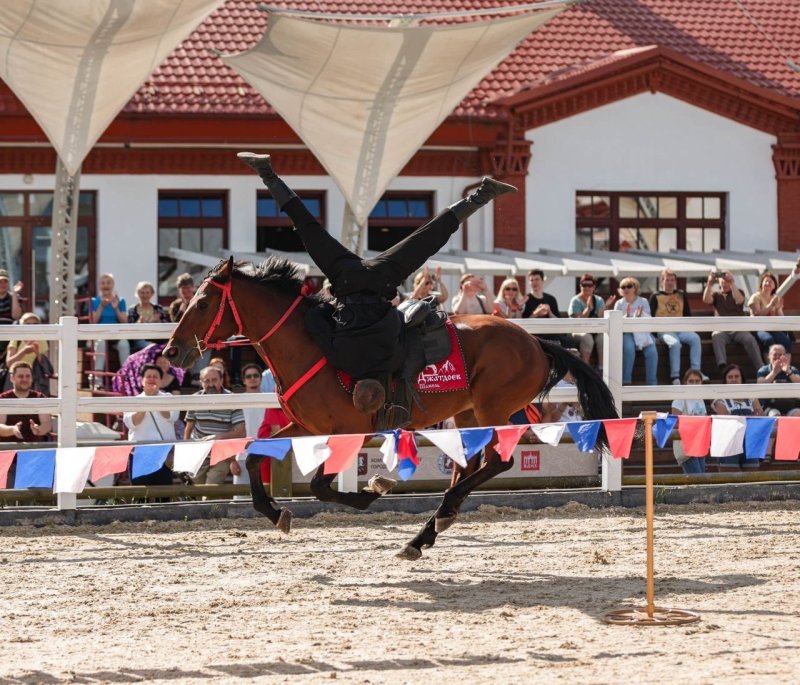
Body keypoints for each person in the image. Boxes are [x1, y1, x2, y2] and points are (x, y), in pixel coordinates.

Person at [238, 151, 516, 414]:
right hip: (345, 279)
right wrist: (329, 299)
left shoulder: (391, 361)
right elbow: (316, 323)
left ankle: (483, 194)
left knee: (427, 238)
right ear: (356, 387)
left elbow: (404, 335)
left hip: (381, 280)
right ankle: (268, 174)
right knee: (307, 228)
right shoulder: (341, 359)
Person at [183, 365, 246, 484]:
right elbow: (188, 429)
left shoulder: (232, 399)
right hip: (198, 456)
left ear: (221, 380)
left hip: (222, 455)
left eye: (214, 380)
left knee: (209, 494)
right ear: (201, 382)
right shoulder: (194, 399)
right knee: (197, 494)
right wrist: (186, 455)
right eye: (207, 381)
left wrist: (219, 438)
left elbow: (241, 431)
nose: (211, 384)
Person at [122, 364, 179, 486]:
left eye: (155, 377)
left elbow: (171, 416)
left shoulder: (169, 398)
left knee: (163, 496)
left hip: (163, 454)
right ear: (141, 380)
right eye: (148, 376)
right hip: (140, 454)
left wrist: (155, 400)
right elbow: (132, 423)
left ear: (161, 381)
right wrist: (146, 402)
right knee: (140, 496)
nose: (152, 379)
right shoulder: (133, 400)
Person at [649, 269, 706, 384]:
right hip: (664, 330)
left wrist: (689, 328)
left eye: (672, 280)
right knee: (675, 344)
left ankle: (697, 371)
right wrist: (653, 335)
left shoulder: (681, 294)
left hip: (681, 329)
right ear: (662, 281)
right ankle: (675, 377)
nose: (670, 282)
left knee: (695, 338)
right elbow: (650, 316)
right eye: (667, 280)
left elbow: (687, 314)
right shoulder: (655, 296)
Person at [702, 269, 762, 377]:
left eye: (726, 281)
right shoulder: (716, 295)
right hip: (722, 331)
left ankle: (761, 368)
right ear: (719, 283)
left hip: (738, 330)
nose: (724, 284)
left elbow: (739, 300)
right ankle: (723, 367)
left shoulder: (739, 291)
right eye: (722, 281)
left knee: (749, 339)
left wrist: (732, 282)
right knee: (716, 336)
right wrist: (709, 283)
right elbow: (706, 300)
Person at [712, 363, 763, 471]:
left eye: (736, 376)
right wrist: (749, 416)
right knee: (730, 481)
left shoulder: (751, 397)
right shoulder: (720, 399)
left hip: (749, 443)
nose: (733, 379)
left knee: (751, 481)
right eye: (730, 377)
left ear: (742, 378)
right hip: (728, 444)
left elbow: (760, 416)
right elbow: (726, 420)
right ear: (725, 380)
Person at [614, 277, 658, 385]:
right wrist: (627, 316)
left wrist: (639, 316)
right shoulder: (619, 304)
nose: (626, 289)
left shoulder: (643, 301)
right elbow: (616, 322)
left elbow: (648, 318)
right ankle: (626, 382)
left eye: (629, 286)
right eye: (623, 287)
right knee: (629, 350)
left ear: (635, 288)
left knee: (652, 352)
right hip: (627, 333)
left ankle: (652, 384)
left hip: (642, 332)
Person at [233, 363, 268, 493]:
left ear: (260, 378)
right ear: (243, 380)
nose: (252, 378)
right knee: (241, 498)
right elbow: (232, 431)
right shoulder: (237, 401)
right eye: (248, 376)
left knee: (267, 495)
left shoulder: (270, 399)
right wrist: (232, 460)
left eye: (255, 375)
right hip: (242, 455)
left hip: (266, 455)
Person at [522, 269, 578, 349]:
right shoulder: (525, 299)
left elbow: (558, 321)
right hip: (534, 334)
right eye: (531, 280)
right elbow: (523, 323)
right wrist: (536, 313)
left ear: (542, 280)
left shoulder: (551, 299)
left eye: (537, 279)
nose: (534, 282)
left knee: (569, 342)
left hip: (551, 332)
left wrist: (549, 312)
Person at [90, 273, 130, 378]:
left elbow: (124, 322)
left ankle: (125, 377)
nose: (106, 285)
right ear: (99, 286)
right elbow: (93, 321)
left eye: (108, 283)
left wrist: (116, 308)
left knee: (124, 344)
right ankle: (98, 378)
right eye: (103, 283)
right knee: (100, 343)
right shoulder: (94, 301)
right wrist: (101, 307)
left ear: (113, 285)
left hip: (116, 334)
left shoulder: (121, 300)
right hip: (101, 334)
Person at [0, 361, 52, 442]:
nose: (25, 379)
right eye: (20, 376)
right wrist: (12, 429)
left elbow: (47, 424)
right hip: (9, 450)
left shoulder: (39, 397)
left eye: (28, 376)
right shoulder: (3, 399)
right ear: (12, 378)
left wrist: (38, 430)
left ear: (32, 378)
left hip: (35, 449)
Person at [747, 271, 794, 358]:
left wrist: (779, 308)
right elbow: (758, 315)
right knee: (768, 340)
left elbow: (780, 317)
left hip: (772, 328)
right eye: (766, 281)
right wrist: (771, 305)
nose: (768, 283)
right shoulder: (755, 297)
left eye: (771, 281)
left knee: (786, 341)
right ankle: (770, 366)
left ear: (774, 285)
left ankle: (786, 367)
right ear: (762, 284)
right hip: (758, 328)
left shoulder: (775, 298)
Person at [568, 273, 610, 369]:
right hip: (578, 331)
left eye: (589, 285)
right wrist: (587, 309)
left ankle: (602, 368)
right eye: (584, 285)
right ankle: (586, 368)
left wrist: (605, 308)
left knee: (603, 338)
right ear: (580, 286)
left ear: (594, 287)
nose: (587, 288)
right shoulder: (575, 301)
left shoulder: (599, 300)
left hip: (595, 330)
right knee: (587, 339)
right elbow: (577, 321)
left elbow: (601, 318)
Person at [670, 368, 708, 474]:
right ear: (685, 382)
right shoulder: (679, 399)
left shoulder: (701, 399)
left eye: (697, 381)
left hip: (699, 444)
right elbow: (675, 422)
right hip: (687, 446)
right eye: (691, 381)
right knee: (697, 480)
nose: (694, 384)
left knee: (701, 479)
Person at [5, 312, 52, 395]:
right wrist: (24, 351)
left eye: (35, 324)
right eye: (28, 324)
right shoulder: (16, 339)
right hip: (16, 379)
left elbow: (46, 367)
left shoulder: (41, 340)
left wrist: (37, 352)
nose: (31, 326)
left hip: (34, 380)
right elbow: (9, 363)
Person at [756, 343, 800, 417]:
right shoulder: (763, 370)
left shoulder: (792, 369)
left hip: (791, 406)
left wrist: (788, 371)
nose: (777, 357)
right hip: (770, 406)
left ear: (785, 356)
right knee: (775, 416)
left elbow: (798, 382)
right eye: (775, 354)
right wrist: (774, 372)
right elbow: (760, 384)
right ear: (769, 356)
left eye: (780, 355)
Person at [127, 280, 169, 352]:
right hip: (140, 339)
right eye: (142, 293)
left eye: (147, 293)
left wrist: (158, 321)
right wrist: (139, 323)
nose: (145, 295)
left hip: (157, 338)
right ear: (137, 294)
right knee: (151, 347)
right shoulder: (132, 310)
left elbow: (166, 325)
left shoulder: (158, 308)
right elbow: (130, 330)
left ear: (152, 294)